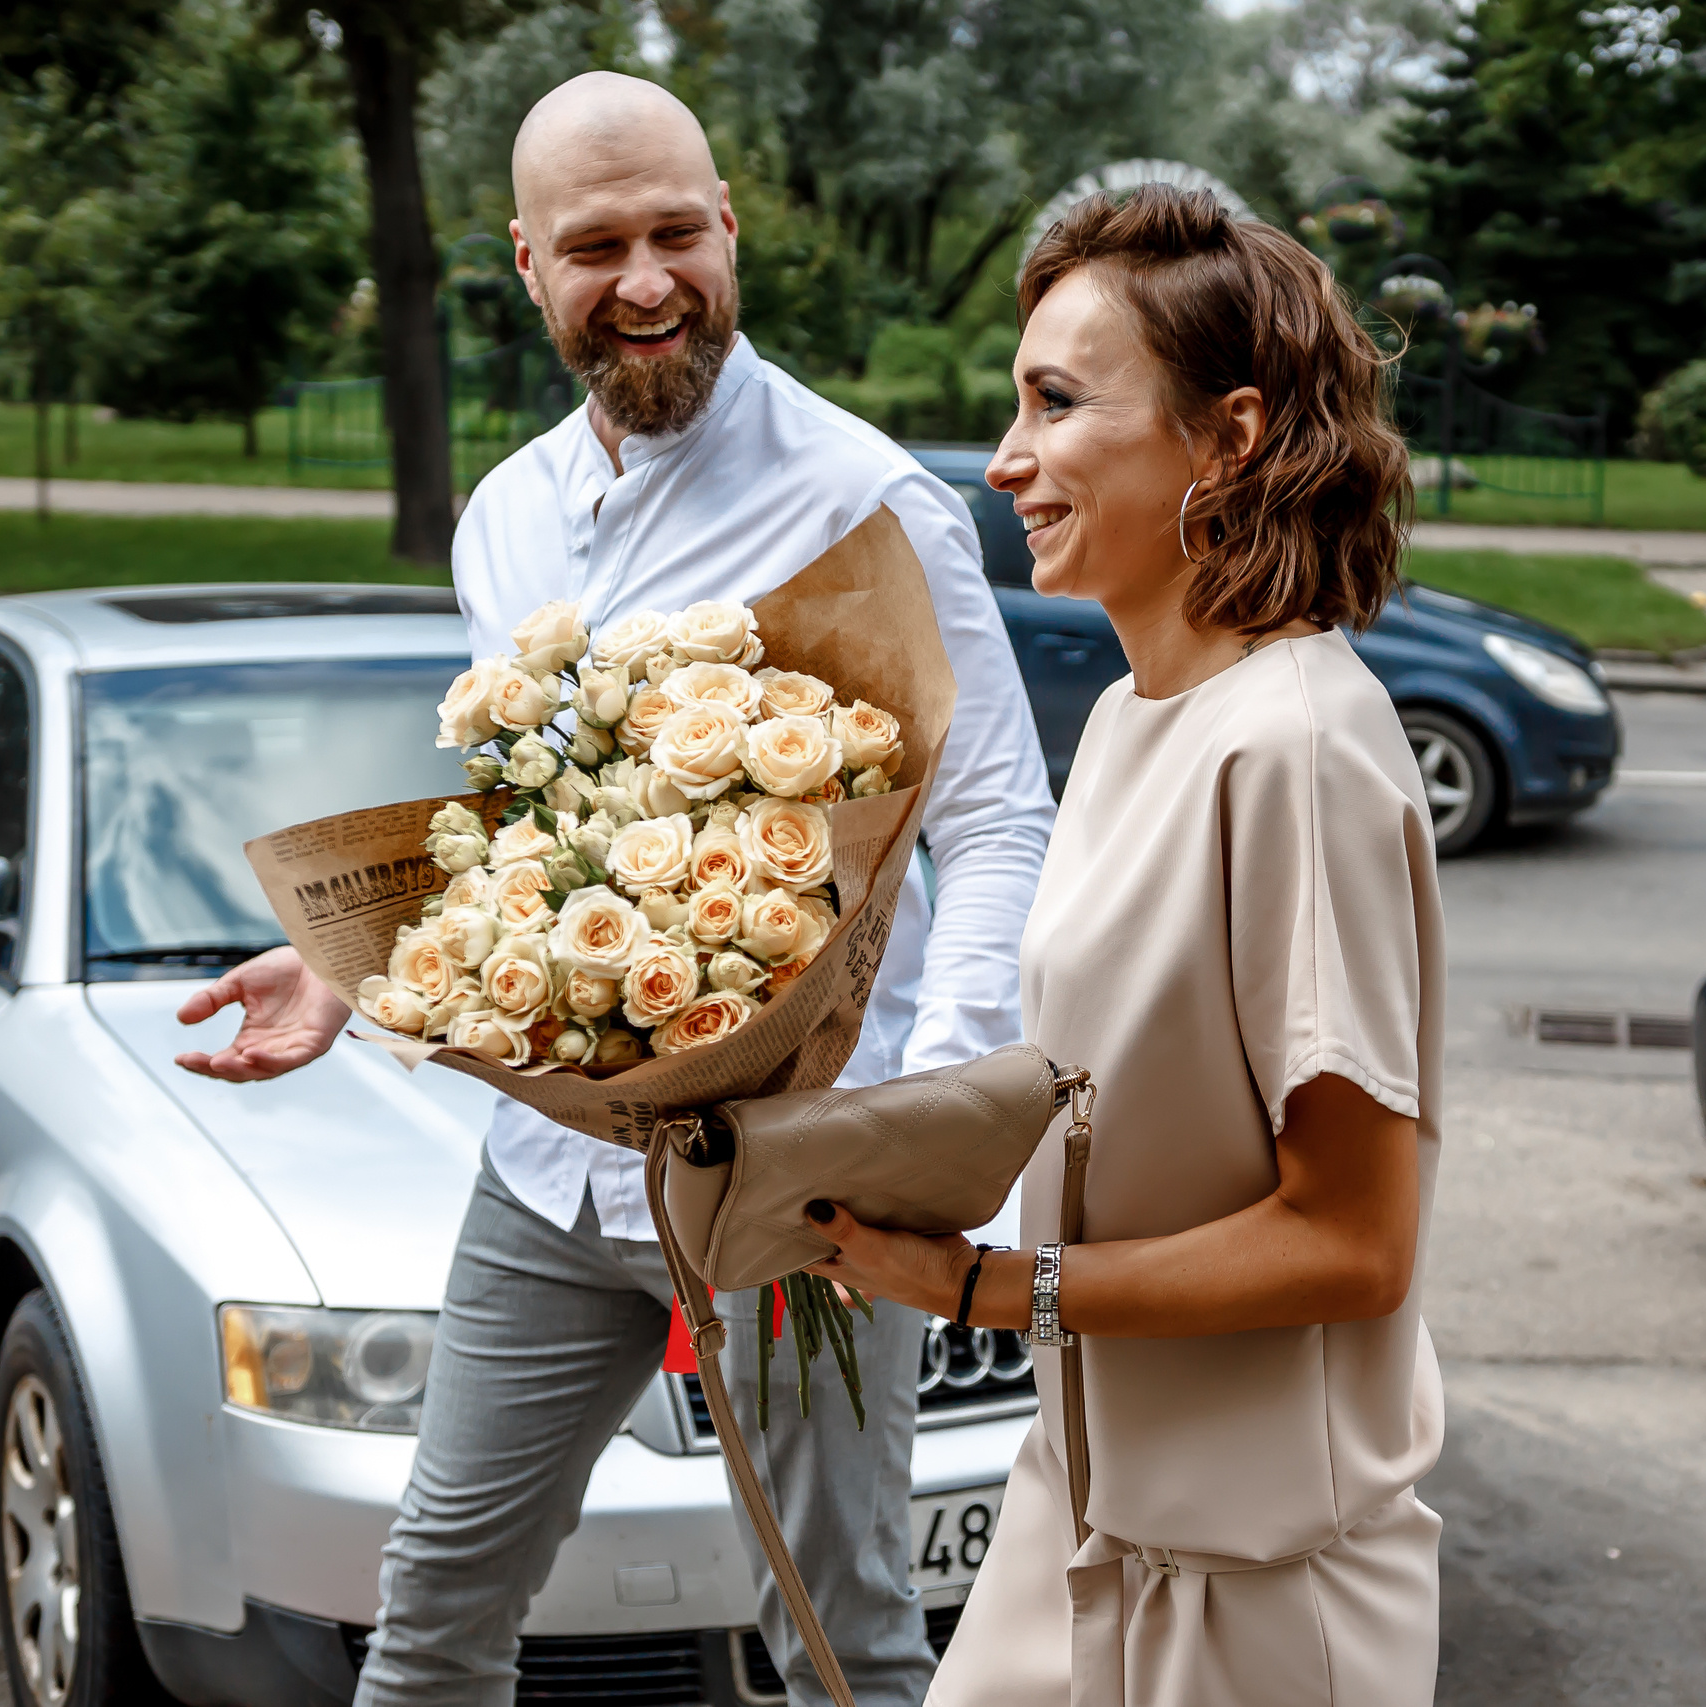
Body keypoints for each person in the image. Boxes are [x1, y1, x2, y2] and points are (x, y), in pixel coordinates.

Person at [169, 71, 1055, 1707]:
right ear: (528, 266)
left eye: (674, 234)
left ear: (730, 230)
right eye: (596, 247)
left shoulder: (868, 501)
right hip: (550, 1181)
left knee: (836, 1640)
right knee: (432, 1616)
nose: (644, 281)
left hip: (805, 1180)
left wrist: (935, 1118)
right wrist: (357, 960)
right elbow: (532, 826)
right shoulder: (503, 517)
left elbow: (999, 821)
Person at [798, 186, 1446, 1707]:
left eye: (1056, 402)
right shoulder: (1129, 715)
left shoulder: (1296, 745)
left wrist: (987, 1289)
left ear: (1229, 438)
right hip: (1080, 1513)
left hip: (1259, 1595)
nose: (1006, 457)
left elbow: (1354, 1239)